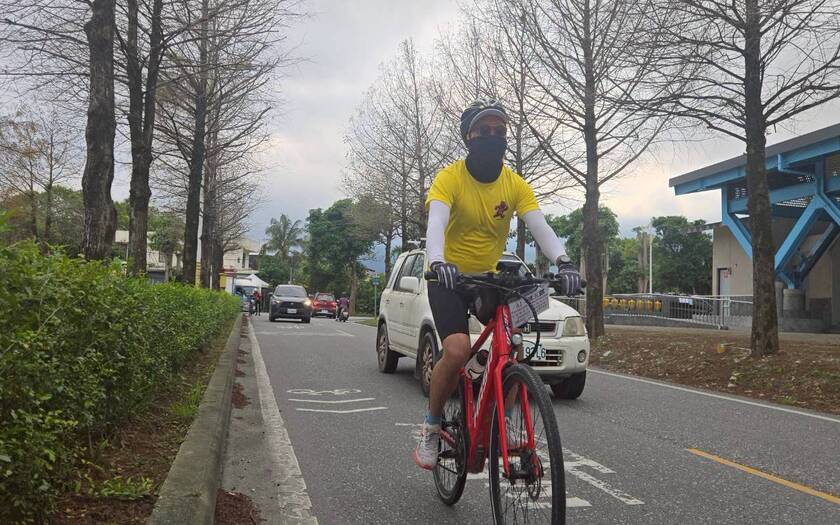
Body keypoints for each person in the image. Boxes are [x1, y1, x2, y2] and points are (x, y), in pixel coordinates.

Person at [413, 99, 582, 470]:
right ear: (468, 137)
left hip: (488, 278)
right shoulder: (450, 178)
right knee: (457, 350)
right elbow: (436, 223)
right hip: (448, 277)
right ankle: (431, 425)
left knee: (512, 343)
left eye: (500, 131)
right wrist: (437, 261)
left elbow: (539, 226)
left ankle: (500, 419)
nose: (493, 136)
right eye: (484, 130)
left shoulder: (515, 184)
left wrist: (564, 262)